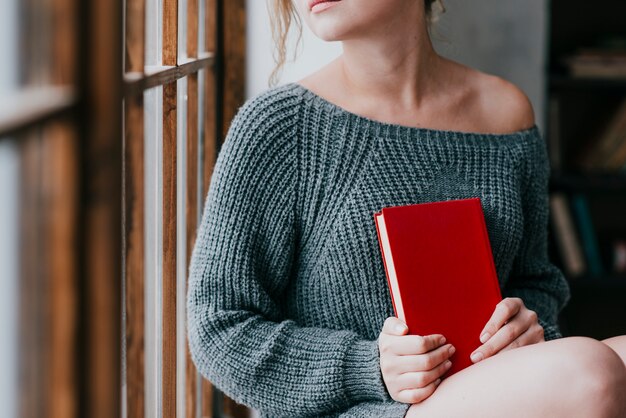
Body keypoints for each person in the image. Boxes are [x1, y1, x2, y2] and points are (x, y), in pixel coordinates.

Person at [186, 0, 626, 416]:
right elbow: (218, 328)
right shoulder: (277, 127)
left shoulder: (506, 114)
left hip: (489, 388)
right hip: (362, 409)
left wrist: (528, 327)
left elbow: (535, 281)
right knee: (591, 372)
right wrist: (367, 367)